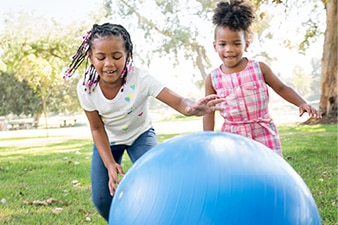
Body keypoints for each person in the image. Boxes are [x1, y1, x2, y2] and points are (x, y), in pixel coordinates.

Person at [63, 22, 223, 222]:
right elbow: (96, 128)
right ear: (90, 58)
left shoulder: (140, 78)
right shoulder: (86, 88)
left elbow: (179, 101)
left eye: (117, 56)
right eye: (101, 57)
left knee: (159, 184)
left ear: (127, 54)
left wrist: (191, 108)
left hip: (141, 135)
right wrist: (110, 164)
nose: (109, 64)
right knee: (103, 199)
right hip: (108, 141)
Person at [203, 0, 321, 157]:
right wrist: (207, 138)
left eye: (236, 43)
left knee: (271, 168)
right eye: (223, 44)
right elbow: (208, 111)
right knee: (240, 171)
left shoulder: (259, 68)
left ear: (246, 44)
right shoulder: (212, 78)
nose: (229, 49)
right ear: (215, 46)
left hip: (263, 131)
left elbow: (281, 88)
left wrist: (301, 103)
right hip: (233, 135)